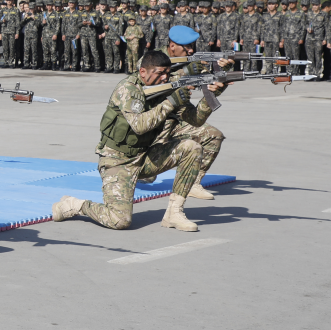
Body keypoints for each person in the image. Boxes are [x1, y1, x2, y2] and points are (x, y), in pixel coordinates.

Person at [51, 49, 222, 233]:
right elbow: (139, 125)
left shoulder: (167, 89)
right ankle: (75, 205)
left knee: (191, 147)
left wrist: (210, 96)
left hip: (145, 156)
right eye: (160, 73)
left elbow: (195, 120)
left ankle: (174, 213)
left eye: (167, 73)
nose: (165, 78)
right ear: (143, 72)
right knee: (119, 220)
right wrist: (171, 102)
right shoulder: (128, 90)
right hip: (118, 161)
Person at [161, 25, 228, 201]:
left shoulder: (192, 61)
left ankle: (192, 183)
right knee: (147, 171)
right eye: (186, 47)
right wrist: (188, 73)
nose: (191, 50)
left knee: (214, 136)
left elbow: (210, 79)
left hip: (178, 120)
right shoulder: (152, 59)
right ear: (172, 45)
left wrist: (222, 74)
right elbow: (155, 82)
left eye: (192, 46)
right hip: (152, 124)